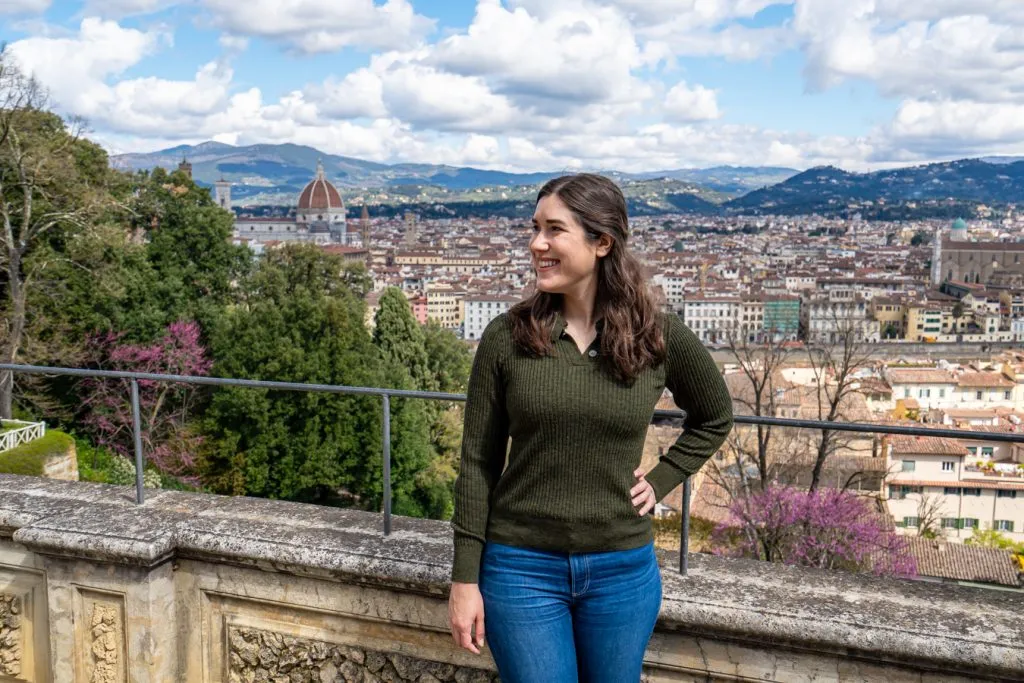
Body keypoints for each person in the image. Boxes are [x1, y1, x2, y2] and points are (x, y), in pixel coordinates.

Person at [447, 173, 733, 682]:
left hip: (621, 569)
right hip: (520, 566)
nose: (537, 244)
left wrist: (663, 479)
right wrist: (464, 578)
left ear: (602, 242)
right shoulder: (506, 337)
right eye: (534, 228)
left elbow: (714, 418)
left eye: (554, 230)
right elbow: (477, 463)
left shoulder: (658, 336)